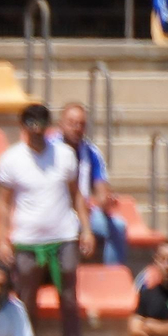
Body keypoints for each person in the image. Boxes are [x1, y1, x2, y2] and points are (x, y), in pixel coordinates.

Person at [0, 103, 89, 336]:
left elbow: (76, 195)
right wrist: (3, 239)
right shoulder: (11, 158)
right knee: (26, 301)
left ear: (48, 127)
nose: (36, 132)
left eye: (40, 126)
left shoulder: (65, 155)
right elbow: (3, 203)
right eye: (31, 126)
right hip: (27, 239)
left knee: (69, 298)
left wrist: (87, 229)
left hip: (64, 234)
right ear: (23, 127)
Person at [53, 102, 125, 268]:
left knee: (118, 227)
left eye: (81, 124)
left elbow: (101, 187)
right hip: (55, 211)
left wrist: (105, 199)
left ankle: (113, 276)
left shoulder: (91, 152)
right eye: (72, 123)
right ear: (61, 125)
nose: (77, 128)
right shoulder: (49, 149)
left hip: (82, 212)